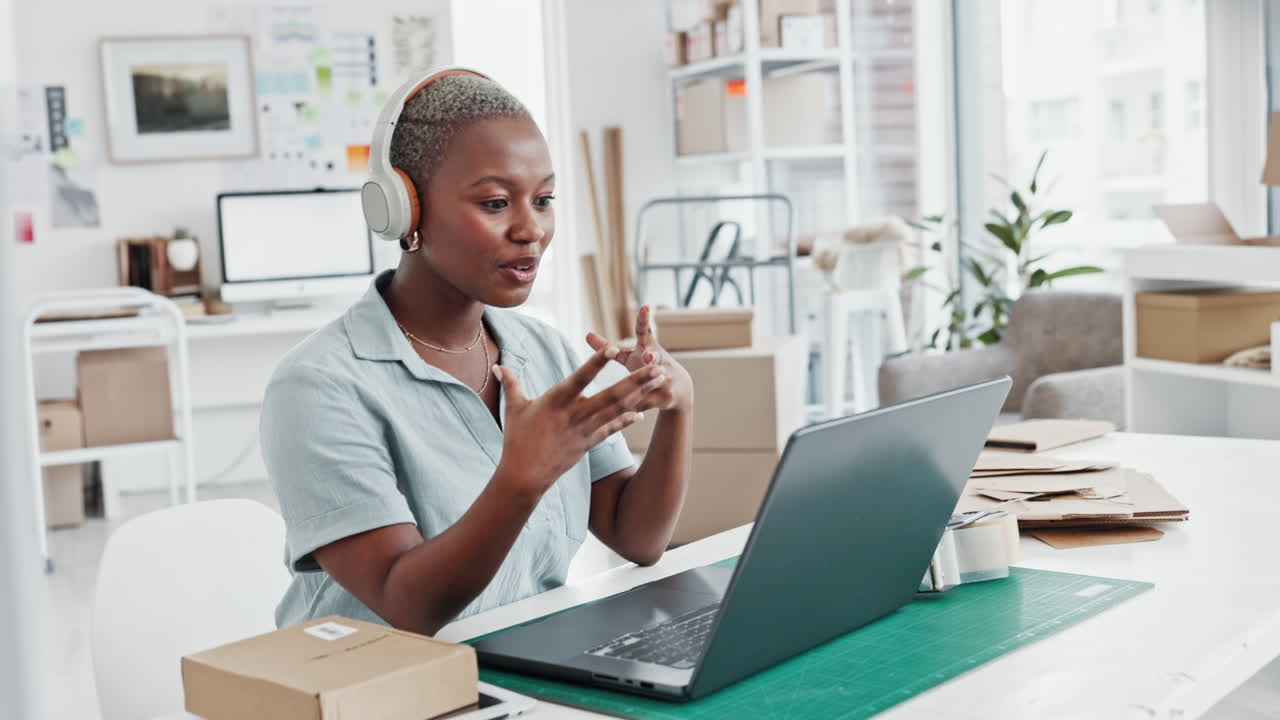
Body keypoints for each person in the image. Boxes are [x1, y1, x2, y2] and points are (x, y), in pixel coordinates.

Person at [260, 68, 694, 637]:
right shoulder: (318, 386)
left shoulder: (542, 350)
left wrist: (678, 409)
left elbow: (636, 537)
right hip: (377, 689)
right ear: (404, 211)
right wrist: (520, 478)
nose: (530, 229)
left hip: (522, 671)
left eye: (543, 200)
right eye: (495, 203)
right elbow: (407, 605)